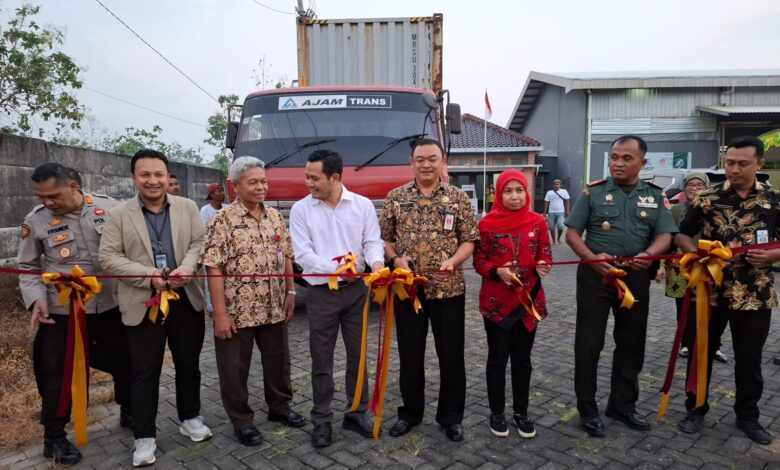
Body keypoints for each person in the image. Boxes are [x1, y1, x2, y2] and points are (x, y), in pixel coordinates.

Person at [99, 149, 211, 467]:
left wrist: (187, 268)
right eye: (145, 174)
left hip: (184, 298)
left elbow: (198, 244)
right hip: (143, 302)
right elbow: (108, 258)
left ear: (167, 176)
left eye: (158, 174)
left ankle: (190, 417)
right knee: (144, 371)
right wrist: (149, 275)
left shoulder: (187, 207)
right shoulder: (118, 215)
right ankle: (144, 435)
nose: (153, 180)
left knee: (188, 364)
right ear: (133, 178)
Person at [17, 163, 131, 466]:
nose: (47, 202)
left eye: (53, 195)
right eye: (41, 196)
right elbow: (28, 266)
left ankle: (130, 411)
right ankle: (54, 437)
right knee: (55, 372)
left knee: (126, 359)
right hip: (61, 310)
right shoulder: (36, 220)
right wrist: (36, 300)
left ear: (73, 187)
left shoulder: (109, 208)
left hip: (110, 305)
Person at [565, 135, 676, 438]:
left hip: (635, 278)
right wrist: (591, 259)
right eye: (614, 157)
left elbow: (665, 235)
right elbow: (572, 233)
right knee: (589, 344)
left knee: (631, 343)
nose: (618, 163)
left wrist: (650, 254)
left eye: (627, 158)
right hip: (596, 277)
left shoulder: (654, 196)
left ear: (642, 162)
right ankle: (588, 409)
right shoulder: (593, 192)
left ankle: (622, 405)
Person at [675, 136, 780, 444]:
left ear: (759, 164)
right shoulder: (707, 197)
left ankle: (748, 416)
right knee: (701, 353)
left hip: (755, 292)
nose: (734, 169)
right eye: (730, 163)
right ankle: (696, 409)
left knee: (750, 358)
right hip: (711, 291)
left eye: (742, 164)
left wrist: (772, 256)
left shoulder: (774, 199)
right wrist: (696, 255)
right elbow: (683, 235)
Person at [201, 157, 305, 446]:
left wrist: (291, 293)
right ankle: (242, 421)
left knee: (278, 362)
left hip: (273, 306)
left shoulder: (274, 217)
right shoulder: (222, 221)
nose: (261, 187)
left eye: (263, 181)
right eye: (253, 182)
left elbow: (286, 256)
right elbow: (213, 267)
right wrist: (220, 315)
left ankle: (280, 408)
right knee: (234, 369)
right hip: (237, 311)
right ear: (235, 186)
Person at [381, 138, 479, 442]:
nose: (426, 164)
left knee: (451, 355)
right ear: (411, 163)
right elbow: (385, 240)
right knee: (410, 354)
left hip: (448, 289)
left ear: (443, 162)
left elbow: (469, 240)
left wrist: (454, 261)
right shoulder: (395, 198)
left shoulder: (457, 198)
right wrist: (395, 259)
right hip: (408, 290)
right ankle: (410, 413)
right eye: (420, 159)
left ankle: (451, 417)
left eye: (432, 159)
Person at [289, 150, 385, 448]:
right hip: (321, 294)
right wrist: (339, 270)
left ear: (335, 177)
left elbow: (372, 242)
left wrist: (377, 264)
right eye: (306, 177)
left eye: (314, 178)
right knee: (321, 358)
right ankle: (321, 419)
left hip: (357, 293)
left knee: (358, 355)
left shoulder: (362, 205)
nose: (309, 183)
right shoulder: (301, 210)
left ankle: (356, 412)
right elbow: (303, 255)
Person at [473, 169, 552, 439]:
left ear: (526, 193)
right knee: (497, 359)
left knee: (522, 360)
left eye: (519, 190)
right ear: (498, 194)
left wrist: (544, 265)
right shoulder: (487, 224)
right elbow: (479, 261)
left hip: (528, 303)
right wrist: (497, 271)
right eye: (508, 191)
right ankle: (497, 413)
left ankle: (521, 413)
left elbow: (545, 253)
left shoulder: (538, 221)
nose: (514, 196)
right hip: (497, 304)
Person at [655, 173, 728, 363]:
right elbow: (667, 237)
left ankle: (714, 346)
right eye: (690, 185)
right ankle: (686, 344)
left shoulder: (715, 208)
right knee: (683, 307)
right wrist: (662, 264)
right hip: (680, 266)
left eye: (699, 185)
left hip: (709, 266)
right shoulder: (676, 209)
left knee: (712, 306)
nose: (694, 188)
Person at [200, 182, 227, 313]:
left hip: (226, 248)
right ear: (211, 194)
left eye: (222, 190)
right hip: (212, 249)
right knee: (211, 278)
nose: (222, 193)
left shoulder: (227, 208)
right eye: (219, 191)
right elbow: (203, 230)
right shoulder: (205, 210)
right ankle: (212, 307)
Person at [544, 179, 570, 244]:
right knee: (551, 227)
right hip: (551, 212)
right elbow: (546, 202)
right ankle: (554, 240)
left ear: (560, 185)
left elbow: (567, 201)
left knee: (561, 226)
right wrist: (544, 213)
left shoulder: (564, 191)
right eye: (555, 184)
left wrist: (567, 210)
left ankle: (558, 238)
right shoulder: (549, 193)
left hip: (561, 212)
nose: (556, 185)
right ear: (553, 185)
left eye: (558, 184)